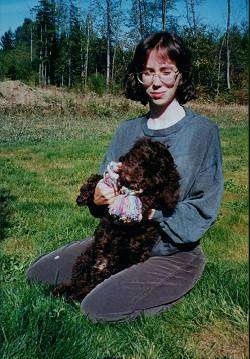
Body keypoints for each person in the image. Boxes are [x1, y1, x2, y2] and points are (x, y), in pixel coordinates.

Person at [26, 31, 223, 323]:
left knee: (97, 309)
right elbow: (106, 188)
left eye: (166, 71)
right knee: (38, 275)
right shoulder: (126, 131)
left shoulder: (203, 133)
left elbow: (202, 209)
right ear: (139, 77)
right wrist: (97, 197)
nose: (156, 82)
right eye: (148, 72)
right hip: (119, 242)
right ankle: (116, 274)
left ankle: (173, 278)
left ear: (180, 75)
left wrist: (150, 212)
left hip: (172, 250)